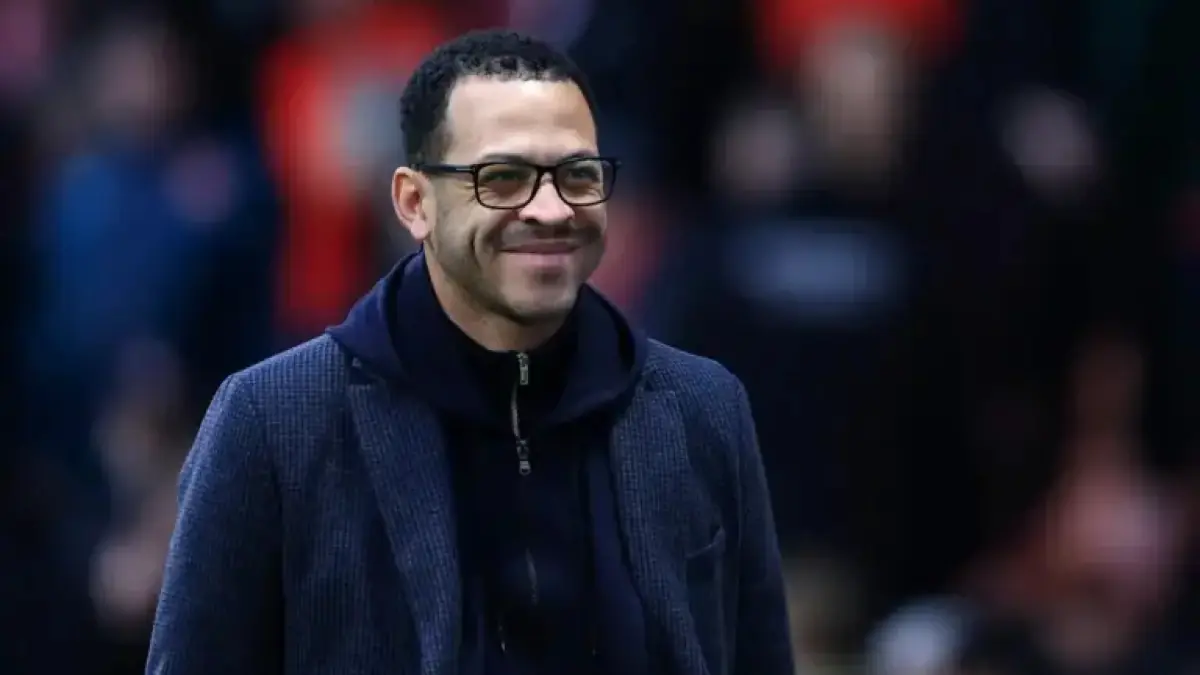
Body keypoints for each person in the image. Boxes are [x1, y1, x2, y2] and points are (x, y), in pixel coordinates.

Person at [145, 30, 794, 675]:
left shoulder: (705, 409)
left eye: (578, 175)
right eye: (503, 178)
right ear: (414, 203)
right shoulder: (273, 420)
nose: (551, 210)